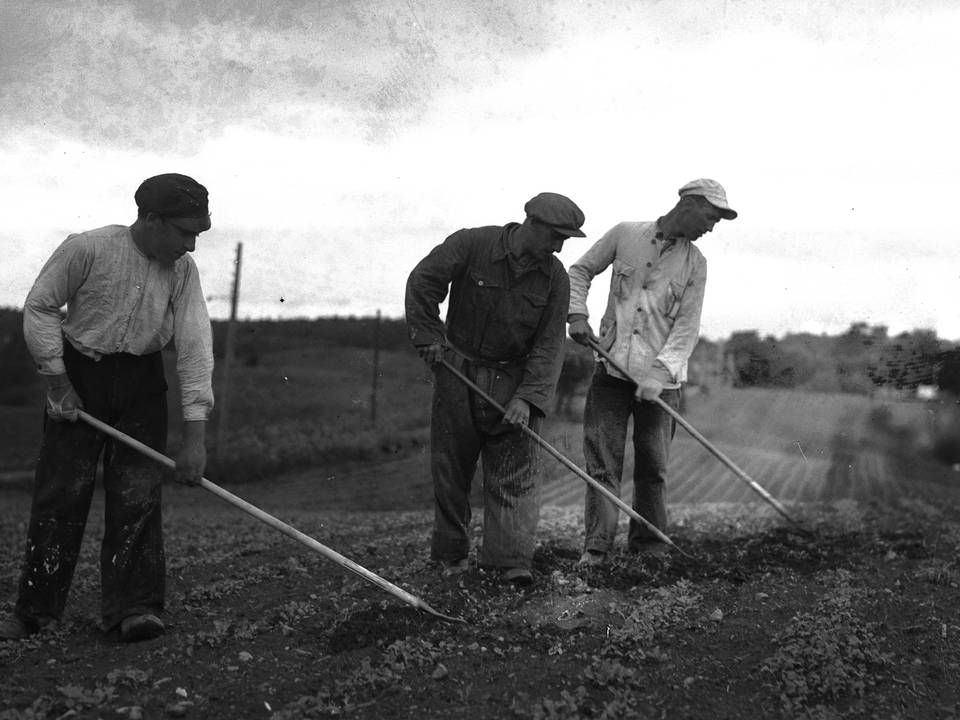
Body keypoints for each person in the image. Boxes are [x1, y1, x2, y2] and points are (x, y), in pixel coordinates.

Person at [0, 173, 215, 642]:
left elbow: (195, 345)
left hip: (142, 382)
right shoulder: (87, 249)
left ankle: (133, 608)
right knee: (60, 494)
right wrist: (57, 380)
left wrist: (194, 436)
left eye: (197, 235)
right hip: (79, 377)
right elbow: (39, 307)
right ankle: (35, 611)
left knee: (138, 495)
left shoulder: (183, 272)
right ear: (151, 219)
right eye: (184, 233)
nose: (192, 247)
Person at [405, 192, 586, 585]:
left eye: (565, 241)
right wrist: (429, 337)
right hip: (457, 369)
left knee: (515, 473)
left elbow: (550, 342)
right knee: (451, 467)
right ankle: (451, 555)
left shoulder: (554, 277)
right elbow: (424, 281)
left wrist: (527, 398)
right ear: (532, 224)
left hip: (514, 380)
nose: (558, 247)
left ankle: (508, 562)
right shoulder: (472, 244)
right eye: (556, 237)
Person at [567, 179, 737, 565]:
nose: (711, 228)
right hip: (610, 370)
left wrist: (659, 374)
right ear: (688, 204)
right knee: (602, 463)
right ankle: (596, 548)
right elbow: (580, 271)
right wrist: (577, 313)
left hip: (661, 384)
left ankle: (649, 547)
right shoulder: (626, 234)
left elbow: (687, 327)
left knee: (653, 466)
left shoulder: (696, 263)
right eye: (710, 217)